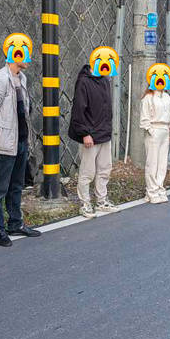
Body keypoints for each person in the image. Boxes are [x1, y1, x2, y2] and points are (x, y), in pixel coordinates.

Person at [0, 33, 42, 247]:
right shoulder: (1, 79)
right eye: (26, 53)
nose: (29, 58)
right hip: (5, 141)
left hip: (21, 140)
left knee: (17, 185)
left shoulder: (22, 78)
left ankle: (15, 223)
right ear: (15, 53)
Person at [69, 46, 121, 218]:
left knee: (105, 169)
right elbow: (78, 110)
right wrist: (85, 133)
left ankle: (101, 200)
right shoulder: (84, 81)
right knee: (87, 172)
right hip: (90, 135)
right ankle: (85, 203)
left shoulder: (104, 80)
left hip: (104, 134)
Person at [140, 63, 170, 204]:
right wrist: (150, 130)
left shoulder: (166, 97)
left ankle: (160, 187)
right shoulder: (148, 97)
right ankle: (151, 190)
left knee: (162, 162)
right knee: (152, 162)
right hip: (154, 130)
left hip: (165, 130)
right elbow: (144, 118)